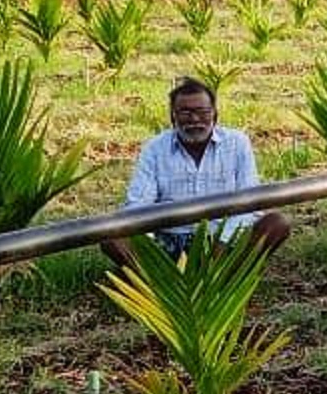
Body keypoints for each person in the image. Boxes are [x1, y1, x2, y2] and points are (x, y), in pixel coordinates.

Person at [100, 78, 290, 268]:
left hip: (221, 241)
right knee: (112, 236)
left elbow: (250, 203)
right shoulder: (155, 148)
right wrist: (148, 247)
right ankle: (159, 287)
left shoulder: (237, 142)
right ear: (173, 116)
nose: (194, 119)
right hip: (169, 240)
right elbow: (138, 206)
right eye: (186, 112)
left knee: (276, 223)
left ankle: (221, 280)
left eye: (202, 112)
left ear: (215, 114)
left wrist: (222, 242)